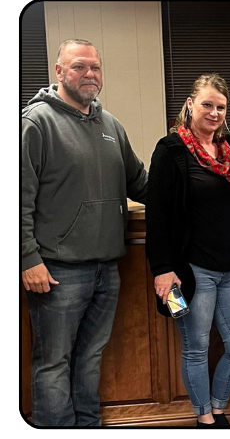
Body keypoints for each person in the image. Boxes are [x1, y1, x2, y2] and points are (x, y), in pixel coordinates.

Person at [21, 39, 150, 427]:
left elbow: (141, 184)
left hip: (106, 268)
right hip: (57, 272)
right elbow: (14, 199)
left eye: (95, 67)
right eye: (79, 67)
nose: (90, 74)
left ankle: (88, 427)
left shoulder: (110, 125)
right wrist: (28, 259)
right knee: (53, 364)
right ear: (59, 72)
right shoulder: (35, 123)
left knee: (91, 357)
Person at [145, 73, 230, 427]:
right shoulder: (170, 150)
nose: (214, 113)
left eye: (220, 107)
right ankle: (206, 419)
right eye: (207, 104)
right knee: (196, 348)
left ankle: (218, 405)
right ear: (191, 104)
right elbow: (157, 214)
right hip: (189, 274)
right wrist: (162, 269)